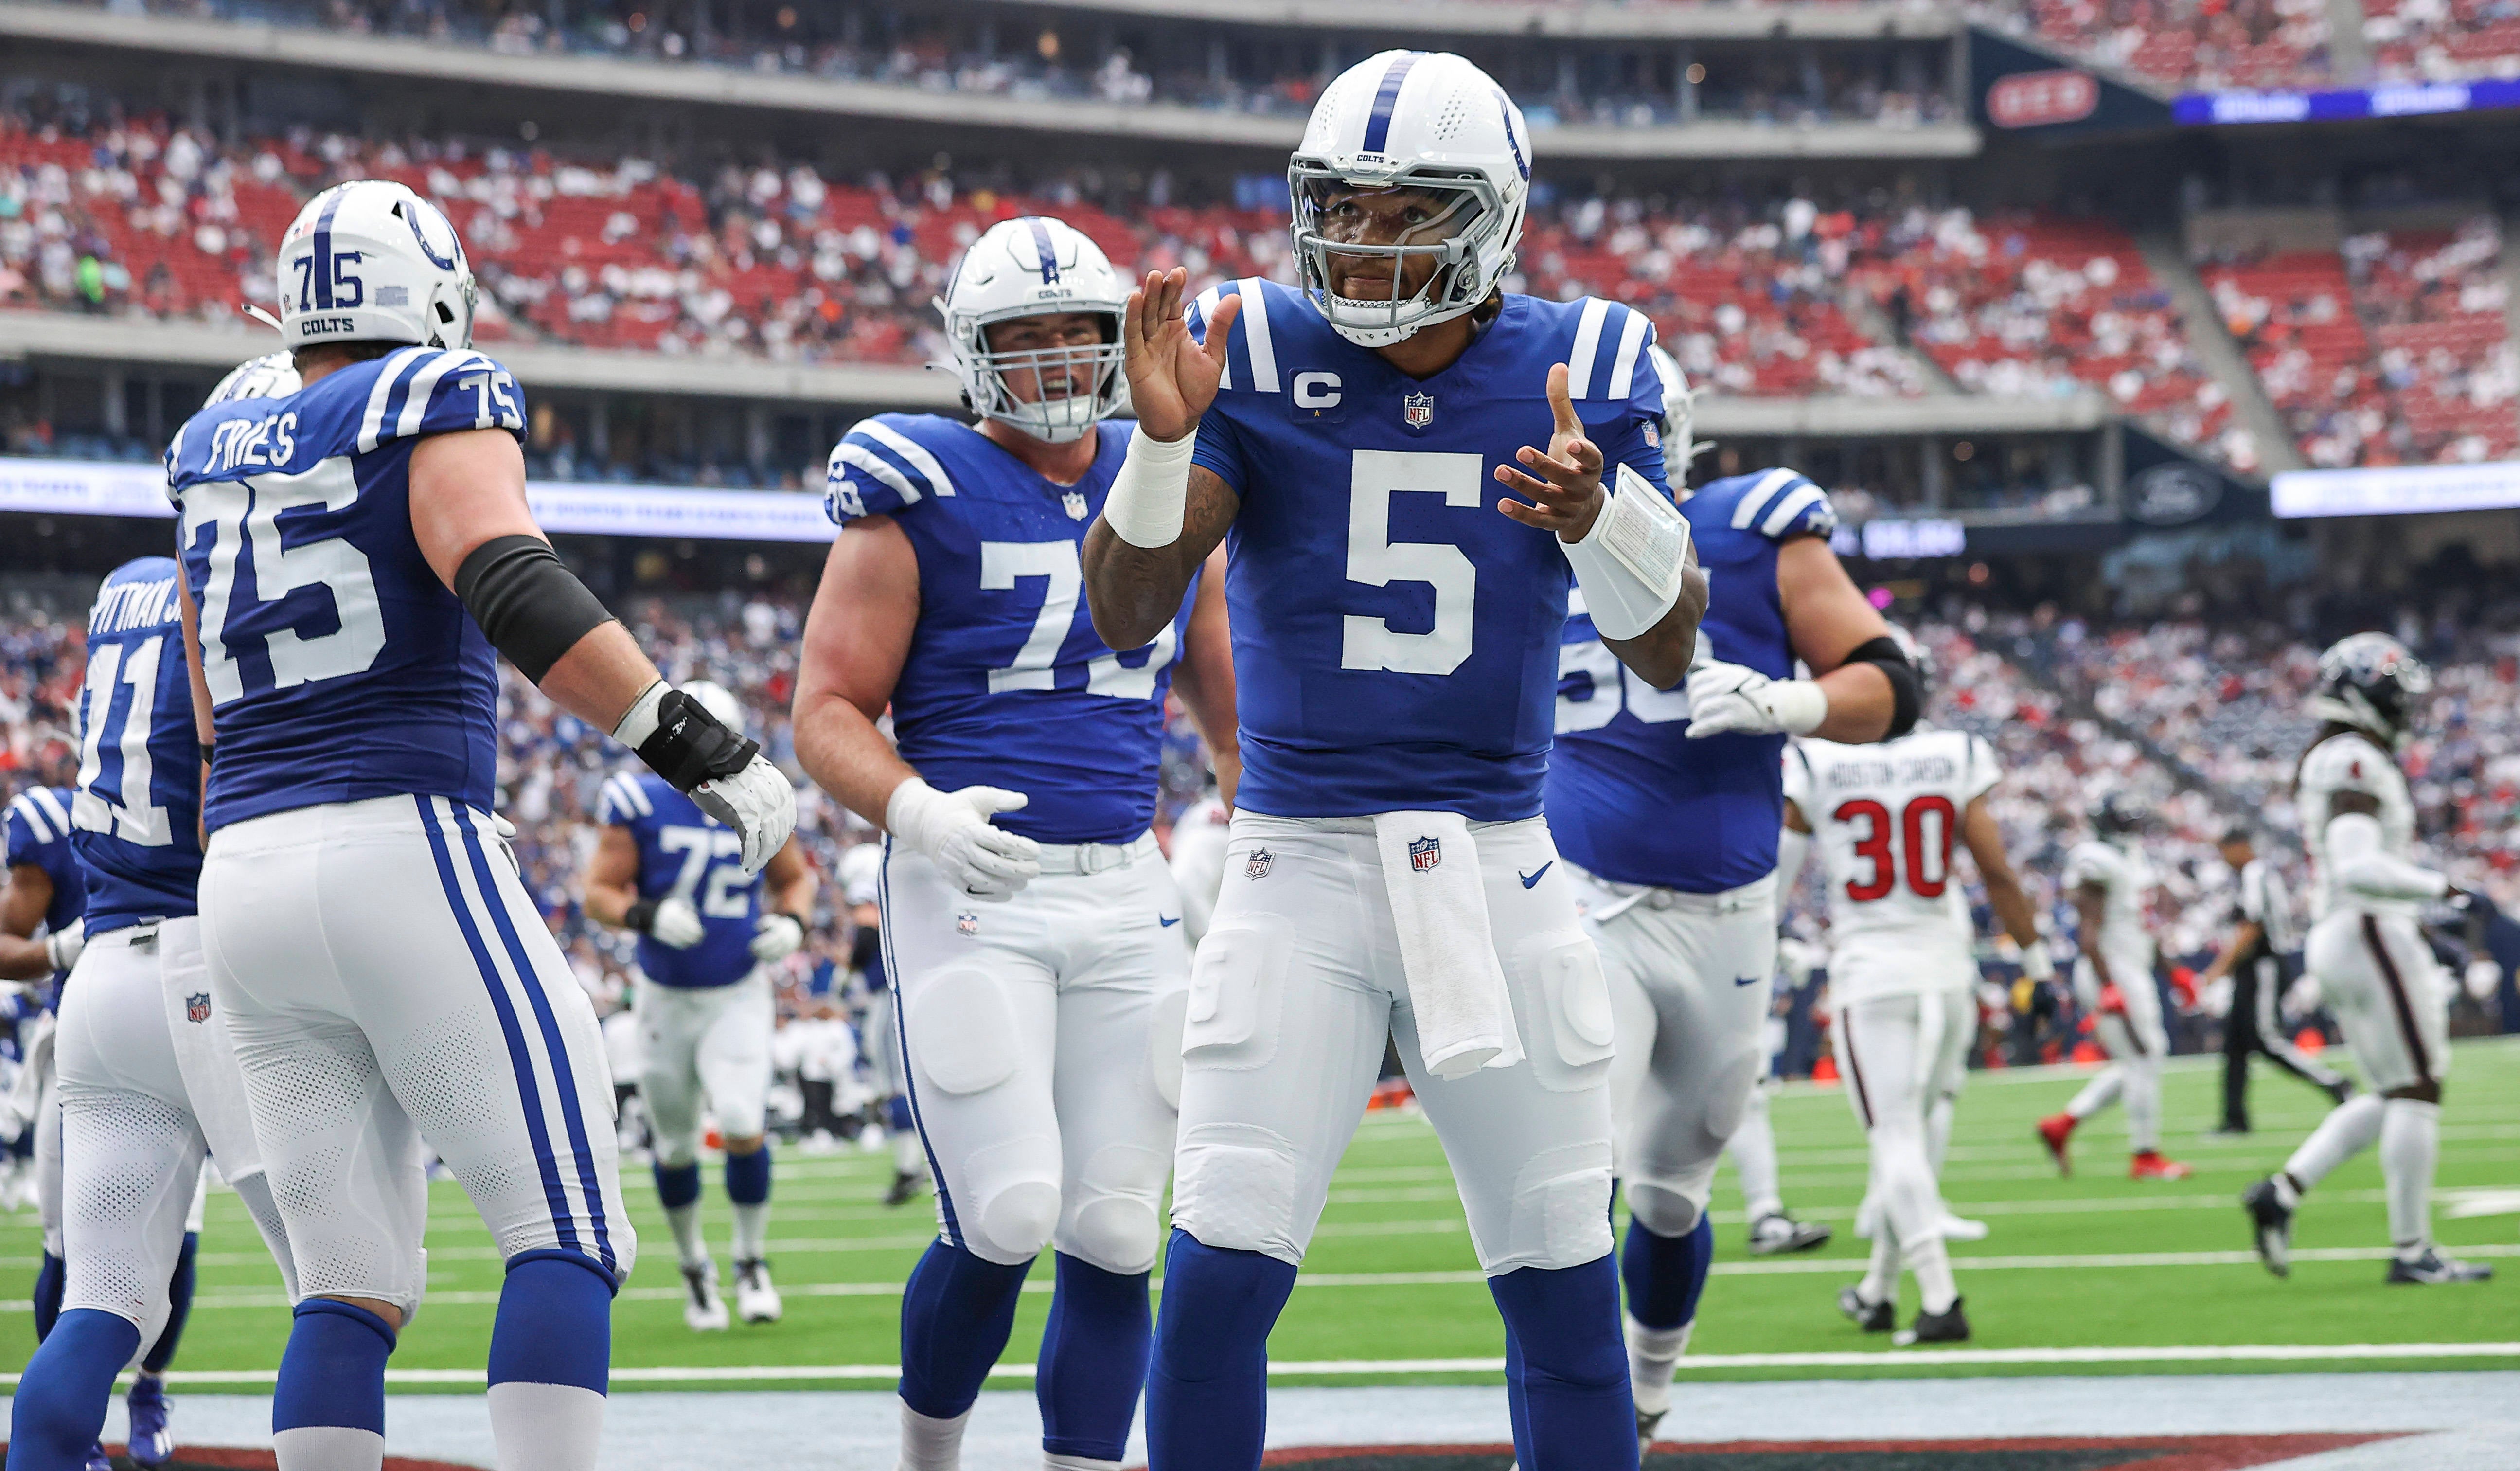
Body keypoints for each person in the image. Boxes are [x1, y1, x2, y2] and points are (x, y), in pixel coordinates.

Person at [1082, 52, 1707, 1470]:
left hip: (1491, 864)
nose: (1359, 244)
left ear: (1485, 219)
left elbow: (1667, 654)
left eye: (1400, 213)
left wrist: (1597, 514)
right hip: (1294, 866)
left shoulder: (1591, 366)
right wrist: (1160, 447)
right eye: (1339, 211)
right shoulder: (1246, 348)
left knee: (1559, 1284)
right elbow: (1124, 612)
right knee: (1219, 1280)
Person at [165, 179, 794, 1471]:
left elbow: (206, 706)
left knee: (345, 1276)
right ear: (434, 295)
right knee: (568, 1231)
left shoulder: (206, 448)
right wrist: (690, 741)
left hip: (242, 871)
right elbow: (506, 575)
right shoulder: (429, 395)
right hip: (399, 841)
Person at [795, 213, 1239, 1471]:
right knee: (1004, 1211)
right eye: (1021, 337)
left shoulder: (1169, 475)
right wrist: (916, 812)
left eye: (1073, 334)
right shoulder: (916, 478)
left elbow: (1227, 708)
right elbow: (824, 712)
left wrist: (1247, 822)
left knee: (1112, 1227)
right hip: (968, 889)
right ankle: (926, 1459)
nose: (1051, 360)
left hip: (1124, 889)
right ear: (968, 351)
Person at [1549, 342, 1918, 1443]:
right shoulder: (1513, 518)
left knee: (1674, 1189)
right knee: (1571, 1173)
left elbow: (1892, 685)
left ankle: (1650, 1393)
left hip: (1727, 911)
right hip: (1576, 891)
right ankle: (1577, 1424)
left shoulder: (1752, 529)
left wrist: (1789, 705)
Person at [8, 528, 303, 1470]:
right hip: (204, 960)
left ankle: (102, 1421)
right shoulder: (244, 579)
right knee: (349, 1287)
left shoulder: (123, 589)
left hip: (107, 977)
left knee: (105, 1286)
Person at [1777, 633, 2052, 1348]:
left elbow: (1774, 879)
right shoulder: (1954, 753)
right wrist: (2038, 964)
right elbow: (1996, 873)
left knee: (1892, 1136)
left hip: (1873, 969)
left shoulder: (1816, 756)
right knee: (1911, 1133)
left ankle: (1939, 1298)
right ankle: (1877, 1291)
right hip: (1946, 969)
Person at [2243, 634, 2490, 1285]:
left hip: (2346, 931)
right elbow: (2357, 865)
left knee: (2392, 1092)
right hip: (2366, 928)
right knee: (2418, 1089)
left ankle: (2282, 1191)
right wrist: (2444, 889)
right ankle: (2411, 1251)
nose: (2402, 706)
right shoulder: (2353, 756)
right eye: (2392, 692)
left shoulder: (2339, 754)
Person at [585, 679, 816, 1332]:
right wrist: (645, 913)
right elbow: (598, 891)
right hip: (665, 996)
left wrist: (794, 924)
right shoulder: (637, 800)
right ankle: (694, 1267)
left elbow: (794, 878)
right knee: (678, 1146)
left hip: (737, 988)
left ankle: (750, 1261)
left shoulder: (758, 801)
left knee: (743, 1120)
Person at [2036, 793, 2191, 1180]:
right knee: (2145, 1057)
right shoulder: (2096, 860)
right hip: (2112, 970)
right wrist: (2109, 986)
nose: (2133, 831)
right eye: (2126, 824)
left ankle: (2065, 1124)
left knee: (2141, 1059)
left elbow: (2140, 927)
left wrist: (2173, 972)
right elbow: (2089, 934)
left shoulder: (2130, 859)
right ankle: (2145, 1156)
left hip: (2129, 967)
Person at [1, 779, 88, 1434]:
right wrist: (64, 950)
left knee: (180, 1246)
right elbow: (8, 937)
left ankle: (148, 1390)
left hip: (193, 1019)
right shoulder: (44, 815)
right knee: (65, 1246)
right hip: (85, 1027)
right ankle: (61, 1429)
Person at [2198, 826, 2350, 1133]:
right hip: (2252, 967)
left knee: (2265, 1039)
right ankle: (2234, 1119)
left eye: (2226, 851)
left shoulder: (2255, 873)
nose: (2224, 859)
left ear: (2240, 846)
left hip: (2263, 965)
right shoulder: (2253, 875)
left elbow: (2252, 927)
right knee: (2235, 1045)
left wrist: (2218, 969)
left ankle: (2333, 1082)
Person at [840, 843, 930, 1206]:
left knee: (897, 1086)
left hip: (891, 996)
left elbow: (864, 931)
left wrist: (846, 972)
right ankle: (914, 1164)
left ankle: (910, 1168)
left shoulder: (870, 893)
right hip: (908, 992)